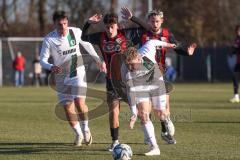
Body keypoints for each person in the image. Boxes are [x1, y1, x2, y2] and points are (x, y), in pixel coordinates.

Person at [81, 7, 149, 151]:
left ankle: (148, 136)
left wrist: (132, 18)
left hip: (130, 79)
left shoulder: (126, 34)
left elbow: (146, 30)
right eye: (107, 27)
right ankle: (115, 141)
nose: (109, 30)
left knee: (142, 111)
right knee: (113, 111)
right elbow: (83, 36)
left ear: (117, 25)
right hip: (112, 81)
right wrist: (88, 23)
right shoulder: (100, 37)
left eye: (112, 27)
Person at [40, 10, 104, 146]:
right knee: (68, 108)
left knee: (79, 103)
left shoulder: (75, 32)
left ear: (67, 22)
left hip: (77, 71)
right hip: (61, 76)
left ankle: (86, 129)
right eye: (59, 24)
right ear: (54, 24)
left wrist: (98, 59)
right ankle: (78, 134)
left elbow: (87, 45)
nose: (63, 27)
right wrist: (51, 66)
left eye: (65, 23)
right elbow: (42, 60)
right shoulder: (49, 39)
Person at [137, 10, 196, 144]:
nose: (155, 23)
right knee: (146, 107)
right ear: (148, 22)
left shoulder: (167, 34)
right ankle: (150, 136)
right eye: (152, 21)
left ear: (162, 21)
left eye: (157, 21)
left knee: (162, 108)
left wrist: (187, 52)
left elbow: (177, 46)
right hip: (144, 74)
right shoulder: (142, 33)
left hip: (160, 73)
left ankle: (164, 131)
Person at [121, 40, 176, 156]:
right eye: (127, 64)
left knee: (160, 113)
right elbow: (130, 92)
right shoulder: (126, 72)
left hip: (155, 82)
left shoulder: (146, 51)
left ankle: (166, 118)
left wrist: (168, 45)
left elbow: (152, 42)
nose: (130, 67)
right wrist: (133, 113)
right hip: (140, 86)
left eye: (132, 64)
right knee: (143, 114)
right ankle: (154, 147)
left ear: (139, 58)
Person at [229, 25, 240, 103]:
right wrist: (232, 52)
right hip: (238, 63)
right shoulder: (237, 39)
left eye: (239, 30)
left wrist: (235, 49)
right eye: (237, 30)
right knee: (235, 78)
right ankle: (236, 96)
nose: (238, 31)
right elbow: (236, 49)